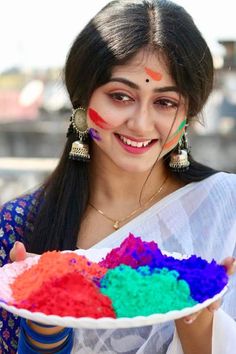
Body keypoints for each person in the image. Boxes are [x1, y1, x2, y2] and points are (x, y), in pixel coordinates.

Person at [0, 0, 236, 353]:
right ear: (82, 98)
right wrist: (43, 328)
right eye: (120, 96)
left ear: (189, 112)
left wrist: (199, 322)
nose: (140, 123)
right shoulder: (19, 227)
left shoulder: (226, 209)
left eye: (165, 102)